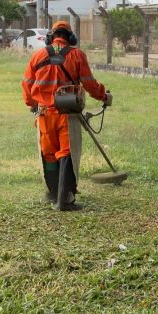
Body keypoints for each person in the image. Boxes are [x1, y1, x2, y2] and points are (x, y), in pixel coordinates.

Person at [22, 21, 112, 210]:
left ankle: (53, 193)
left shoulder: (37, 55)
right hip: (67, 115)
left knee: (49, 154)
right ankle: (65, 200)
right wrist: (104, 96)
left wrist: (32, 105)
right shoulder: (77, 55)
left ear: (50, 37)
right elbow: (89, 84)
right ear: (70, 37)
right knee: (67, 153)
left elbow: (27, 85)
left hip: (44, 115)